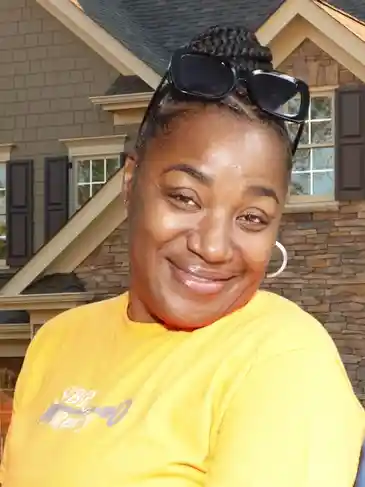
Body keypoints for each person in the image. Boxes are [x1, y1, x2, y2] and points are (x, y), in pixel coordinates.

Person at [0, 25, 363, 487]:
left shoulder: (283, 360)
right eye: (185, 198)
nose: (212, 247)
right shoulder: (56, 343)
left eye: (251, 217)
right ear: (131, 184)